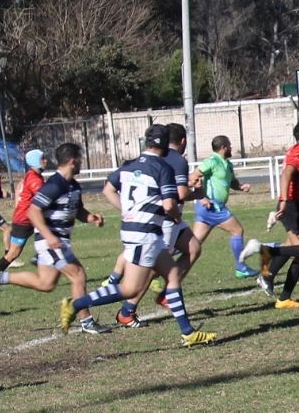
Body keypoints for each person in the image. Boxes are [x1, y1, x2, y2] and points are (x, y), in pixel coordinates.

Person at [60, 125, 216, 347]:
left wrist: (127, 211)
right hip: (145, 234)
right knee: (129, 289)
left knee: (172, 274)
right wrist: (174, 218)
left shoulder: (129, 165)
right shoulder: (162, 167)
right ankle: (76, 305)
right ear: (163, 146)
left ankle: (188, 332)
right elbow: (170, 203)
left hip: (139, 231)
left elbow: (107, 189)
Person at [0, 144, 110, 334]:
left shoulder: (73, 185)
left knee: (46, 284)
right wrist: (49, 236)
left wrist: (92, 218)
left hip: (58, 241)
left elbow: (77, 211)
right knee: (78, 275)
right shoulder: (53, 185)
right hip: (51, 241)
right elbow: (33, 211)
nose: (81, 162)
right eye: (79, 159)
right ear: (72, 161)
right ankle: (87, 321)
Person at [110, 123, 202, 328]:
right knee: (151, 268)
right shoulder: (177, 160)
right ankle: (127, 310)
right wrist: (198, 193)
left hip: (170, 219)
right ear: (184, 141)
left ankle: (166, 293)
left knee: (193, 248)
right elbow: (180, 194)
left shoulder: (158, 157)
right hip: (166, 219)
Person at [239, 117, 299, 308]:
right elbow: (287, 173)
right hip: (293, 205)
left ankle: (283, 296)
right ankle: (263, 250)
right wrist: (285, 201)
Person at [188, 135, 258, 279]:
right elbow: (193, 177)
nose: (232, 147)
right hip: (213, 206)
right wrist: (202, 197)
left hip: (209, 209)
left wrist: (240, 187)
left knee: (193, 243)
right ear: (223, 147)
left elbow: (232, 182)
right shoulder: (212, 161)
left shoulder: (227, 164)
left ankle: (161, 260)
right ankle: (241, 268)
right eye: (230, 145)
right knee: (237, 230)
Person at [0, 149, 48, 295]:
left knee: (49, 233)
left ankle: (40, 256)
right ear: (36, 161)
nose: (46, 160)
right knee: (12, 254)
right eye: (43, 158)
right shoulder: (35, 179)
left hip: (29, 218)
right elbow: (45, 197)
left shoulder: (32, 175)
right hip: (24, 220)